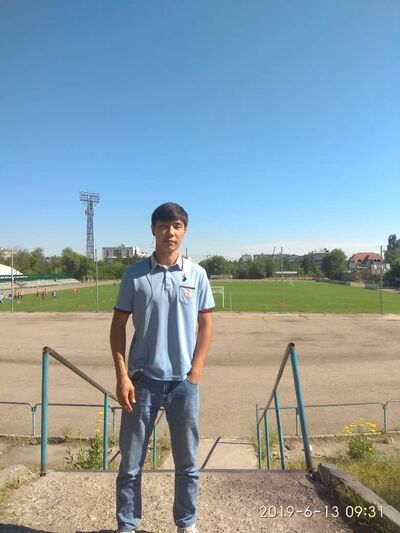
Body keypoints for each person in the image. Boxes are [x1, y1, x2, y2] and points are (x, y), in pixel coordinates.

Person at [110, 202, 214, 533]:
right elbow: (117, 327)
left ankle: (186, 523)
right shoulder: (134, 275)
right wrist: (122, 375)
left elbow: (207, 325)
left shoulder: (196, 274)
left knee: (188, 463)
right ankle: (128, 525)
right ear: (153, 229)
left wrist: (195, 371)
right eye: (164, 225)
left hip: (183, 383)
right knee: (130, 464)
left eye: (177, 225)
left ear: (185, 231)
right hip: (142, 382)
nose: (171, 232)